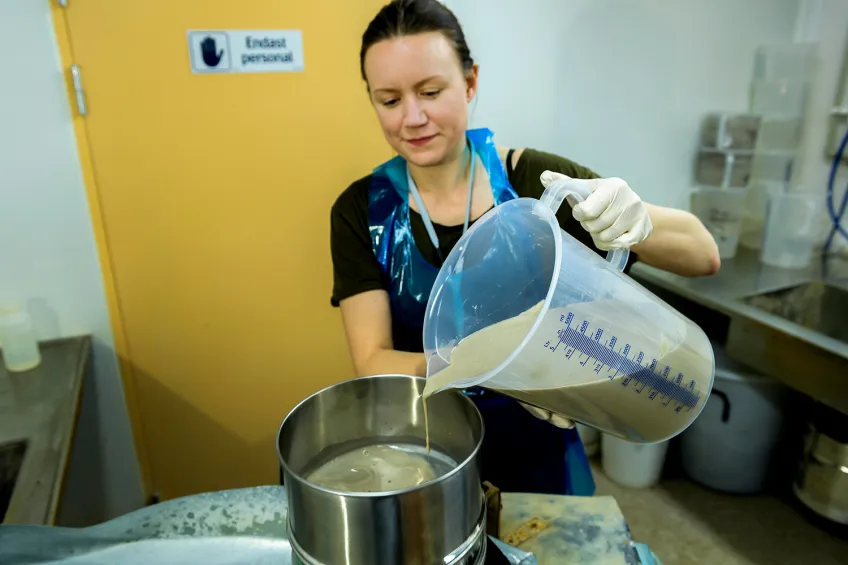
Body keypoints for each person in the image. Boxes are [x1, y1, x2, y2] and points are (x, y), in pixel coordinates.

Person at [329, 0, 720, 495]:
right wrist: (496, 362)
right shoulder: (360, 211)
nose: (413, 117)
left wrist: (638, 221)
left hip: (541, 443)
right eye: (389, 100)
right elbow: (372, 361)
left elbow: (704, 255)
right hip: (431, 444)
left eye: (431, 91)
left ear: (470, 82)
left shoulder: (534, 181)